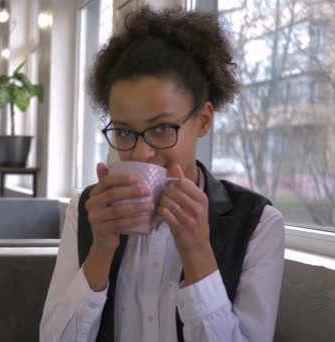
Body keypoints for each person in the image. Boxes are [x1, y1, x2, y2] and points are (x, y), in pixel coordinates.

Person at [40, 6, 285, 342]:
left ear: (203, 121)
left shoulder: (258, 224)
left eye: (161, 129)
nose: (141, 153)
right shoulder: (85, 213)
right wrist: (100, 249)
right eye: (124, 132)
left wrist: (197, 251)